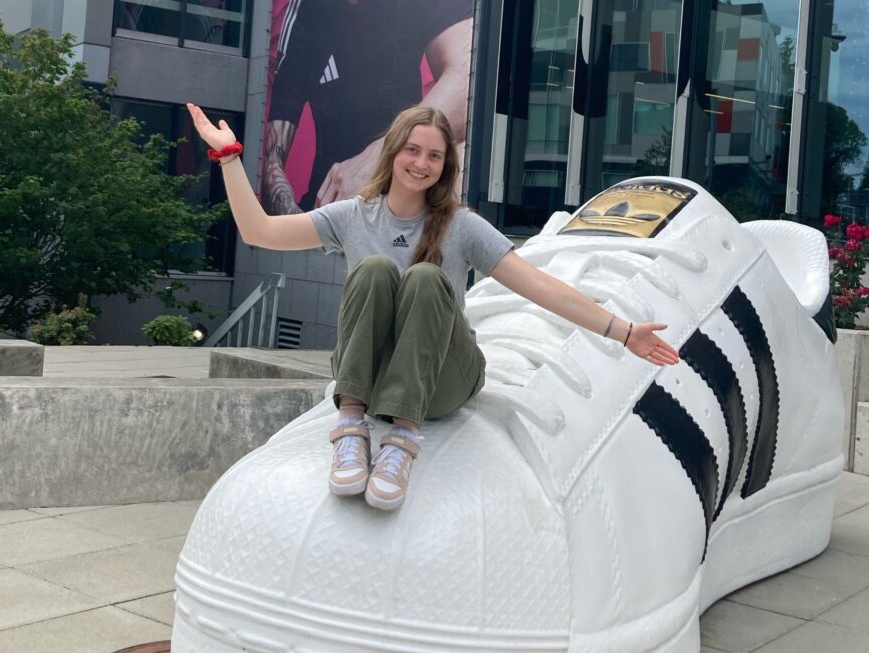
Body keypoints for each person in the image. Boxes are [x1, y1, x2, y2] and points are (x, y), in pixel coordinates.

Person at [187, 102, 680, 510]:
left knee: (424, 278)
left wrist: (622, 329)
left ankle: (402, 441)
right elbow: (260, 231)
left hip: (444, 379)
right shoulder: (353, 217)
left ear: (446, 166)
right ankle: (351, 426)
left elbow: (538, 285)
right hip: (372, 374)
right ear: (393, 151)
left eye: (435, 157)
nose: (422, 164)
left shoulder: (461, 225)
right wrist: (230, 156)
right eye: (413, 150)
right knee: (376, 270)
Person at [263, 0, 472, 214]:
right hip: (328, 206)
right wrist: (292, 214)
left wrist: (380, 159)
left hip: (403, 203)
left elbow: (468, 84)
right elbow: (273, 159)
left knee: (461, 151)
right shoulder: (310, 8)